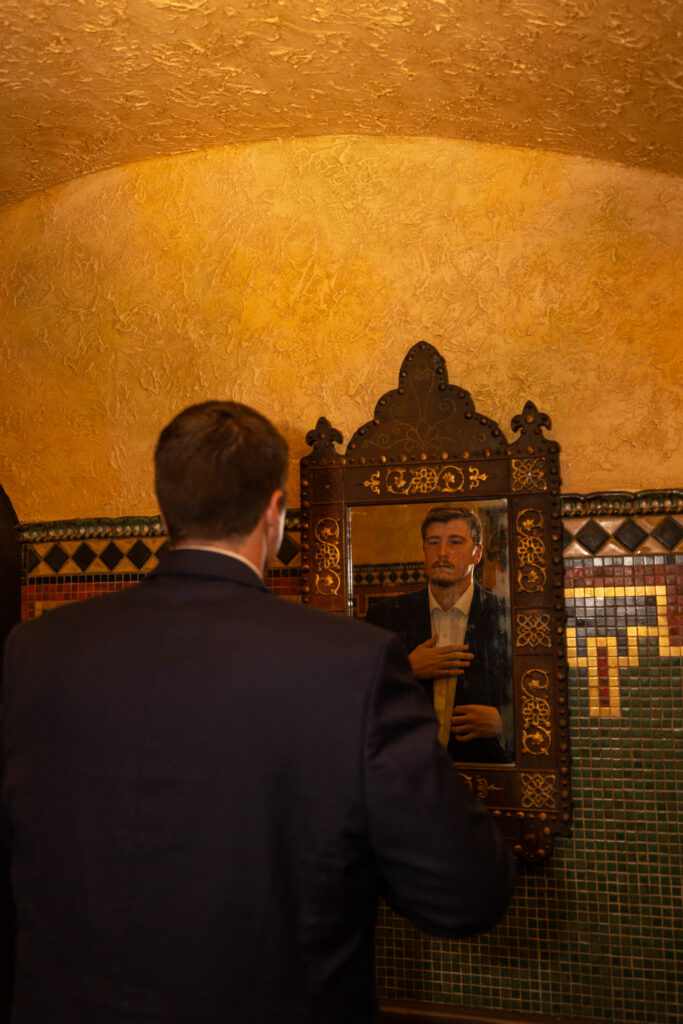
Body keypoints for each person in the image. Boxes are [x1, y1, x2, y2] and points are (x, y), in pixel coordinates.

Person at [2, 402, 514, 1024]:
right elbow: (465, 893)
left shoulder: (35, 650)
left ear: (166, 510)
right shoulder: (353, 662)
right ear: (274, 516)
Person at [366, 506, 513, 763]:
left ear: (477, 553)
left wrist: (505, 722)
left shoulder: (508, 616)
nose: (442, 552)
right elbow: (356, 699)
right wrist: (404, 669)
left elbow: (546, 695)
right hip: (407, 774)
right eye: (433, 542)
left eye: (455, 542)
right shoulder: (385, 616)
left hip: (489, 776)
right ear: (424, 549)